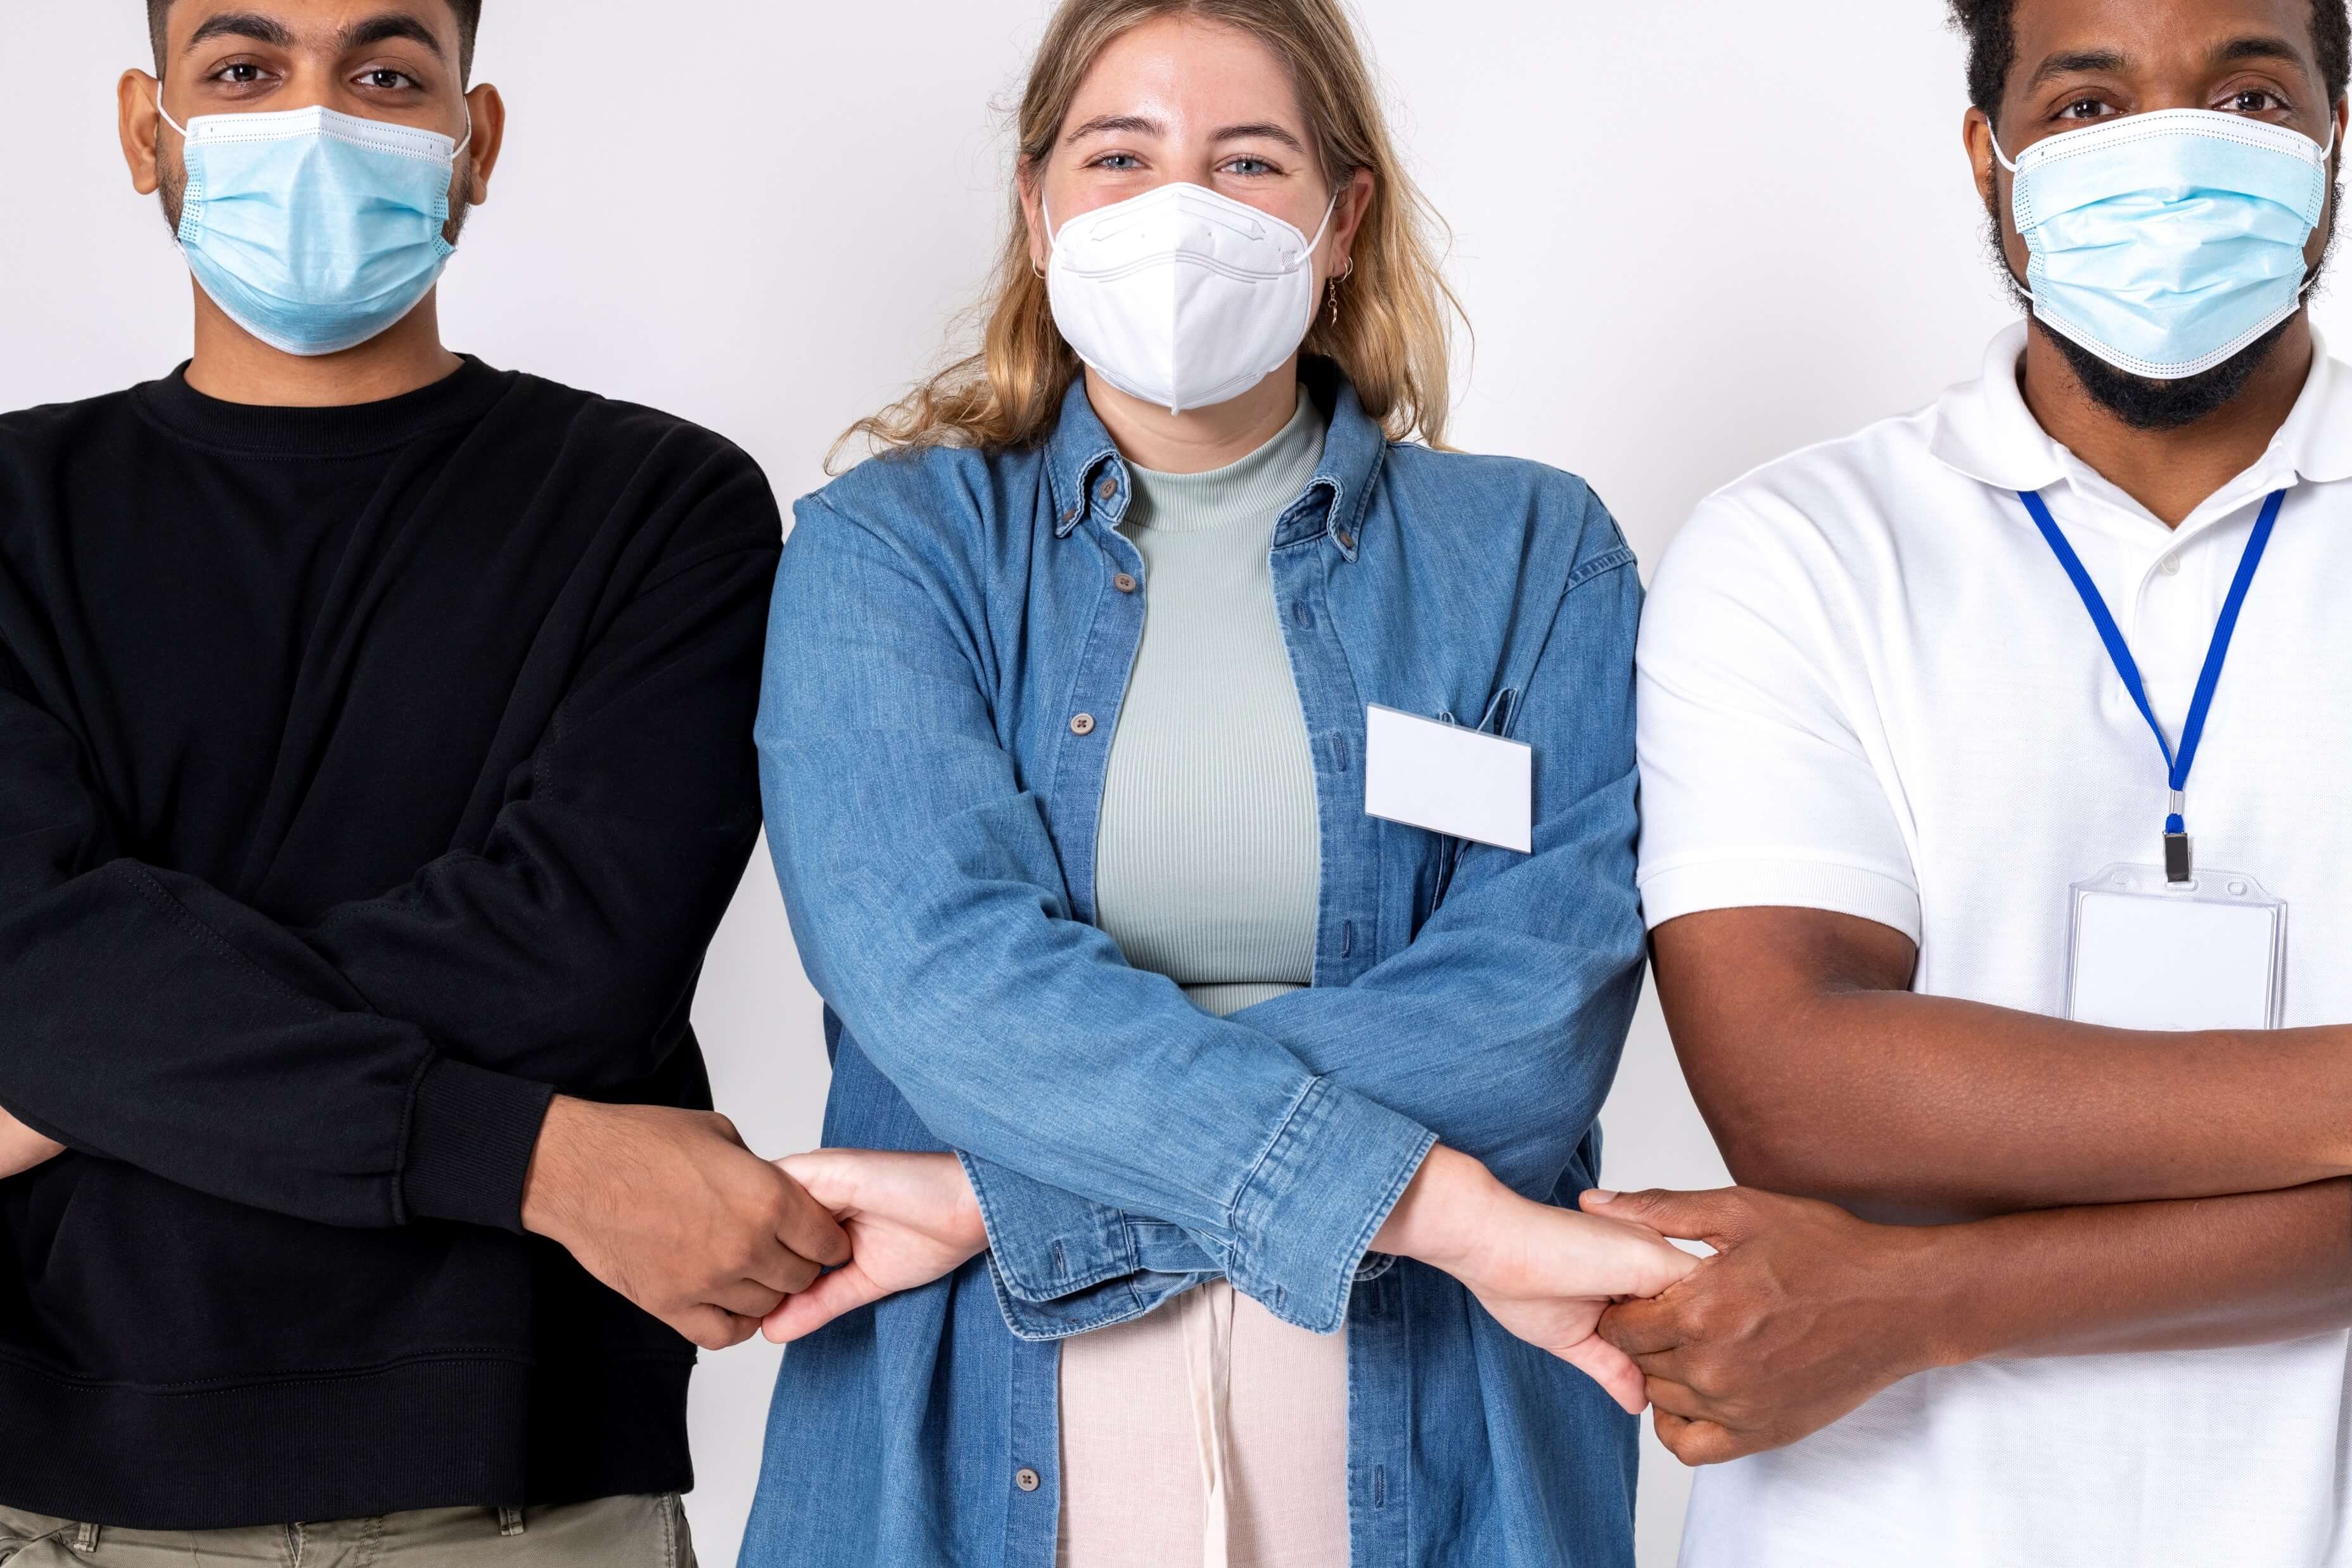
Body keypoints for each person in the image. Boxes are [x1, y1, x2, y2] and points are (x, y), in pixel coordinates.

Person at [739, 1, 1693, 1564]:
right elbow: (942, 978)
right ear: (1036, 210)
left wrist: (1000, 1196)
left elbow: (1534, 1014)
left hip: (1426, 1412)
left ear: (1340, 221)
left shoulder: (1535, 554)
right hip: (982, 1412)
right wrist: (1447, 1206)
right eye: (1119, 158)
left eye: (1246, 162)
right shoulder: (890, 550)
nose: (1178, 208)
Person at [0, 2, 848, 1561]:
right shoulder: (8, 512)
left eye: (386, 75)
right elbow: (29, 966)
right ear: (143, 128)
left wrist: (76, 1071)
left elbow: (576, 956)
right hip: (57, 1500)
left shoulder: (662, 508)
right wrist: (540, 1158)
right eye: (243, 71)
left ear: (476, 139)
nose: (317, 119)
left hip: (524, 1489)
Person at [1588, 0, 2352, 1564]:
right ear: (1983, 156)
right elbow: (1796, 1088)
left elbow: (1864, 1106)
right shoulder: (1794, 550)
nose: (2167, 157)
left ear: (2332, 140)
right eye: (2084, 106)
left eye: (2245, 96)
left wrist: (1923, 1295)